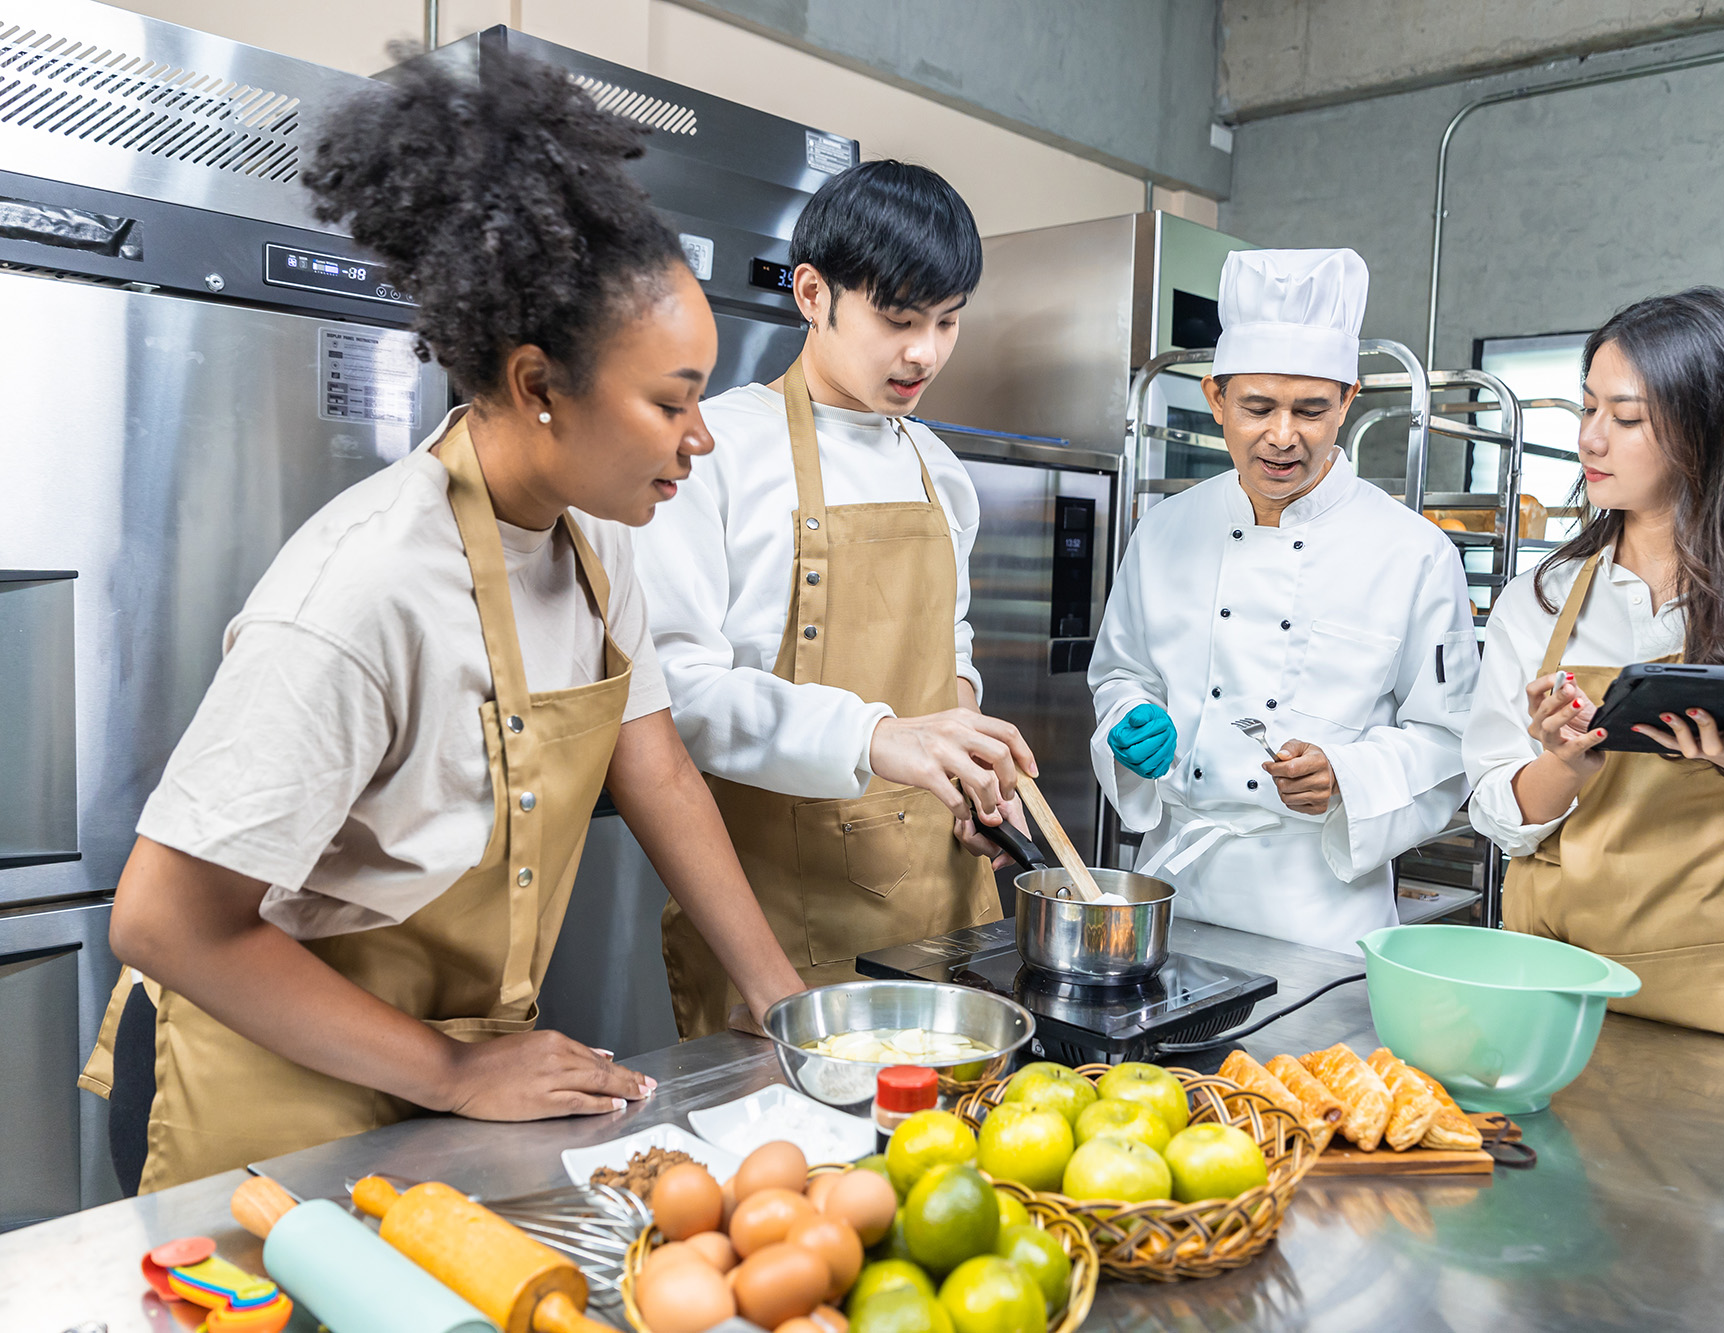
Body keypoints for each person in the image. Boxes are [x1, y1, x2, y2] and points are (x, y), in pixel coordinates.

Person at [80, 52, 806, 1194]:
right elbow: (164, 920)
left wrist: (785, 1007)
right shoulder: (364, 591)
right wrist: (452, 1073)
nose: (698, 438)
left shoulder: (600, 532)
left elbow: (651, 761)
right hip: (267, 1080)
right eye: (670, 401)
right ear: (536, 386)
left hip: (439, 1074)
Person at [637, 161, 1035, 1038]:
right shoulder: (714, 454)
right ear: (813, 294)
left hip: (947, 920)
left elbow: (949, 651)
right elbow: (673, 689)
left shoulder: (941, 470)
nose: (924, 352)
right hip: (776, 925)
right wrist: (875, 737)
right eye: (898, 320)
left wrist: (967, 766)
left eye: (947, 322)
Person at [1463, 286, 1724, 1053]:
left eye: (1625, 418)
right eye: (1587, 408)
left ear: (1715, 430)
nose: (1591, 439)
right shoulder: (1540, 599)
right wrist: (1565, 763)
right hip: (1550, 991)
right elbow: (1496, 814)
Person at [1088, 249, 1478, 951]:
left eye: (1311, 409)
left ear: (1349, 402)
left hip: (1323, 913)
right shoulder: (1165, 530)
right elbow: (1122, 673)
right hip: (1176, 896)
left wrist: (1348, 777)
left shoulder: (1413, 553)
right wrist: (1130, 718)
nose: (1282, 436)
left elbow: (1450, 739)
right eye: (1257, 407)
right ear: (1216, 399)